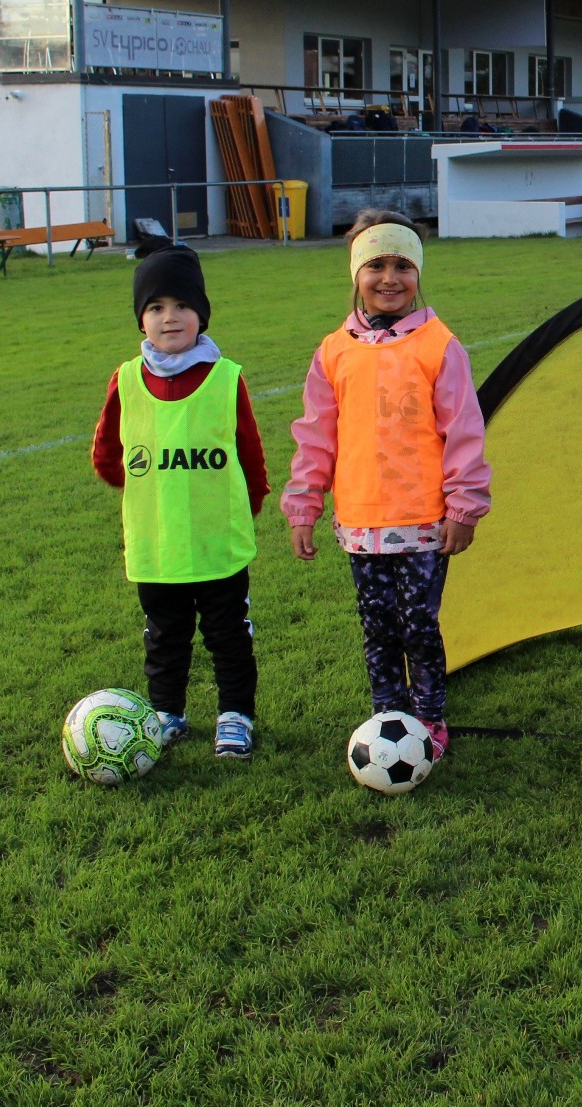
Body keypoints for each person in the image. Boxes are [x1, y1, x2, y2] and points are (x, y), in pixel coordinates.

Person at [286, 211, 490, 759]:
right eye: (376, 265)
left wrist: (463, 507)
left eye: (402, 265)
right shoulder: (334, 351)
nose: (389, 278)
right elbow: (316, 436)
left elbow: (463, 431)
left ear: (418, 272)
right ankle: (388, 717)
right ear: (356, 273)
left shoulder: (439, 346)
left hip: (424, 521)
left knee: (418, 625)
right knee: (377, 628)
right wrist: (304, 505)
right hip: (360, 521)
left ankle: (429, 720)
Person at [90, 242, 267, 757]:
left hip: (217, 544)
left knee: (227, 634)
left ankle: (235, 715)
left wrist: (246, 506)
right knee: (164, 636)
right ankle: (167, 713)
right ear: (141, 319)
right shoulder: (126, 380)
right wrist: (151, 490)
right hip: (158, 545)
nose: (170, 317)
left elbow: (250, 453)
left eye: (183, 305)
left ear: (201, 315)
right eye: (156, 307)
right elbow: (107, 455)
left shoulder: (225, 378)